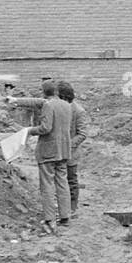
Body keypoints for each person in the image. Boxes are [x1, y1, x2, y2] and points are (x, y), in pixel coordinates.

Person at [23, 79, 73, 233]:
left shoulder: (47, 105)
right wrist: (17, 101)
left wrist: (28, 130)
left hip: (48, 150)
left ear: (44, 92)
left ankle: (50, 219)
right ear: (56, 91)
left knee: (47, 185)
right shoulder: (66, 105)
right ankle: (65, 216)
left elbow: (45, 128)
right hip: (64, 149)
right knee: (62, 182)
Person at [56, 80, 88, 216]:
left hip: (70, 153)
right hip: (56, 151)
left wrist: (68, 146)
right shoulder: (56, 108)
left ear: (64, 97)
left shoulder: (78, 111)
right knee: (58, 181)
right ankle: (62, 207)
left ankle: (72, 207)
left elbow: (82, 134)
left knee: (71, 180)